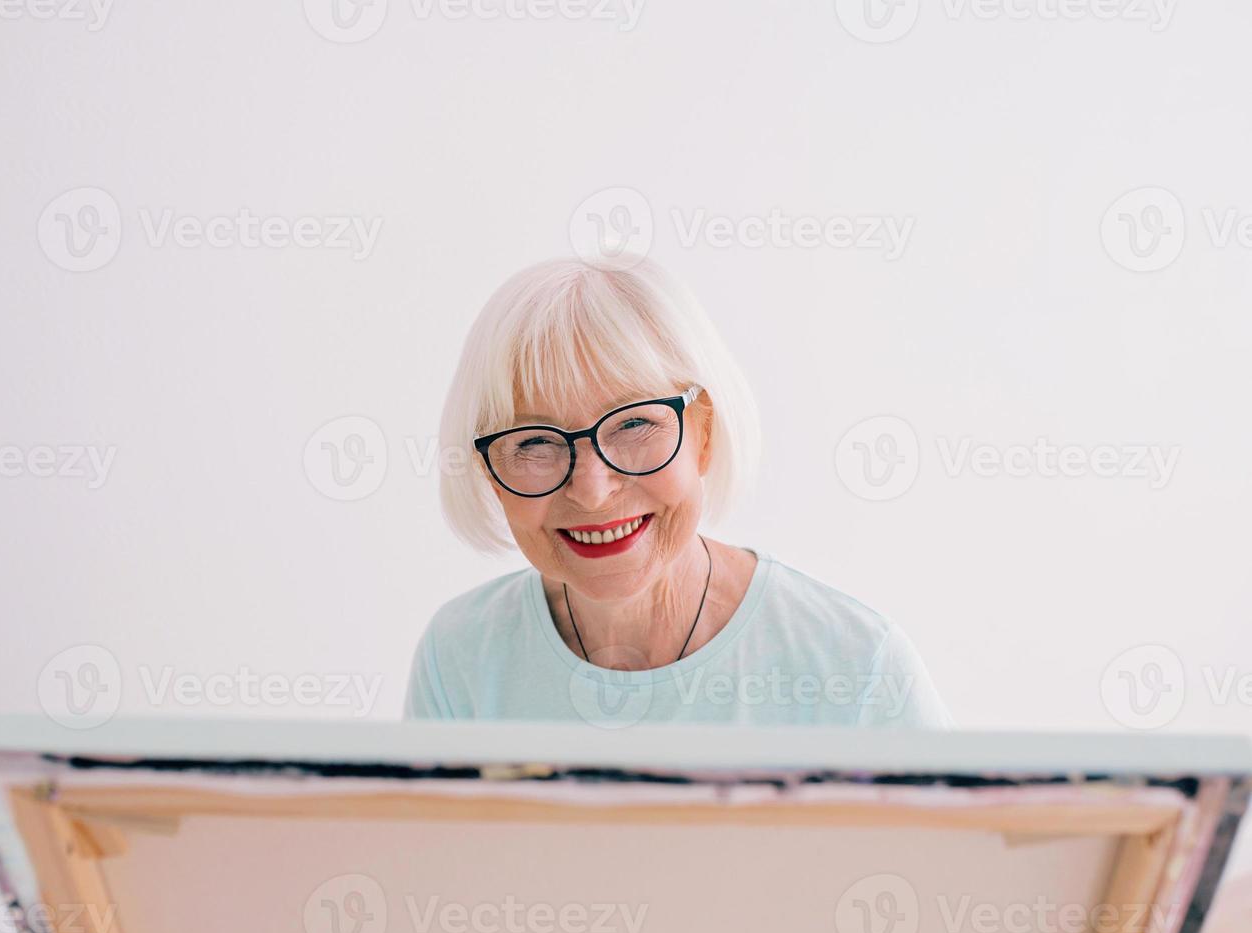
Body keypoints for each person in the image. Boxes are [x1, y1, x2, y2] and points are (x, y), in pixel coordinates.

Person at [403, 255, 953, 728]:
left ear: (705, 434)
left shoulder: (855, 670)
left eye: (635, 426)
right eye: (535, 443)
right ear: (487, 470)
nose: (592, 491)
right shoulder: (460, 661)